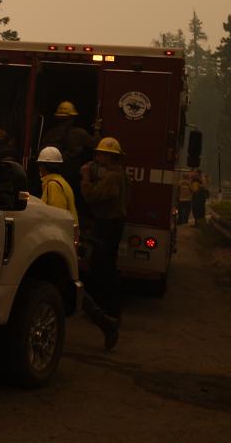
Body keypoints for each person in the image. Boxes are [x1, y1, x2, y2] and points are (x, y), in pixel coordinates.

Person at [38, 146, 118, 349]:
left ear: (43, 167)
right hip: (65, 242)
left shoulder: (53, 186)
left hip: (57, 244)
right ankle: (105, 323)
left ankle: (104, 324)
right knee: (68, 286)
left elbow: (54, 217)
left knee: (63, 287)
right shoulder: (62, 183)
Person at [81, 136, 129, 326]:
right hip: (114, 225)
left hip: (107, 226)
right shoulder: (121, 175)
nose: (97, 157)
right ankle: (107, 311)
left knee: (103, 269)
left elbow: (92, 196)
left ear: (109, 157)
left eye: (100, 154)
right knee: (104, 267)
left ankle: (109, 313)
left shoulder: (112, 177)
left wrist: (85, 178)